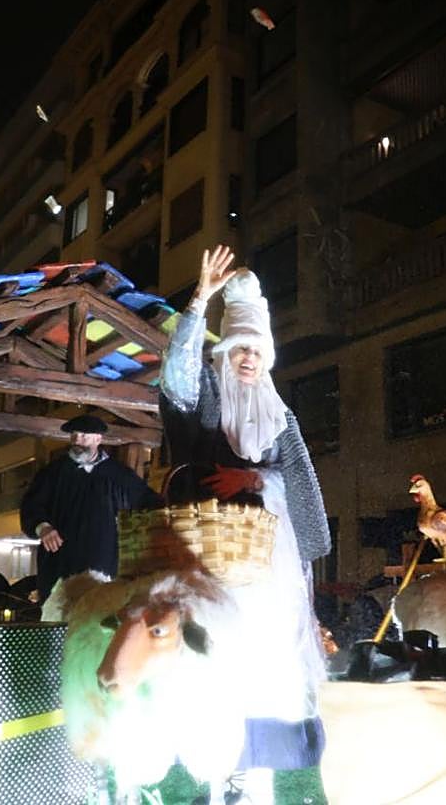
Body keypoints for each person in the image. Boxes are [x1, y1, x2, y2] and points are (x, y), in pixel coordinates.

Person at [159, 245, 332, 798]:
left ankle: (256, 766)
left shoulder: (282, 417)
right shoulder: (207, 397)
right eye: (239, 350)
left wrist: (255, 481)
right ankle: (211, 759)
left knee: (266, 659)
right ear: (226, 354)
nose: (249, 359)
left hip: (268, 566)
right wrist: (199, 302)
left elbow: (300, 482)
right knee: (212, 657)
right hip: (211, 555)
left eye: (257, 350)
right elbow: (175, 382)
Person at [20, 414, 160, 604]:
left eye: (84, 436)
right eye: (74, 435)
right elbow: (31, 506)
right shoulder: (52, 474)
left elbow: (149, 503)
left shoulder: (120, 476)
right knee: (62, 616)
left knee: (102, 616)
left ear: (98, 439)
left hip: (105, 561)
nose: (78, 441)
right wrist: (43, 527)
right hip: (61, 561)